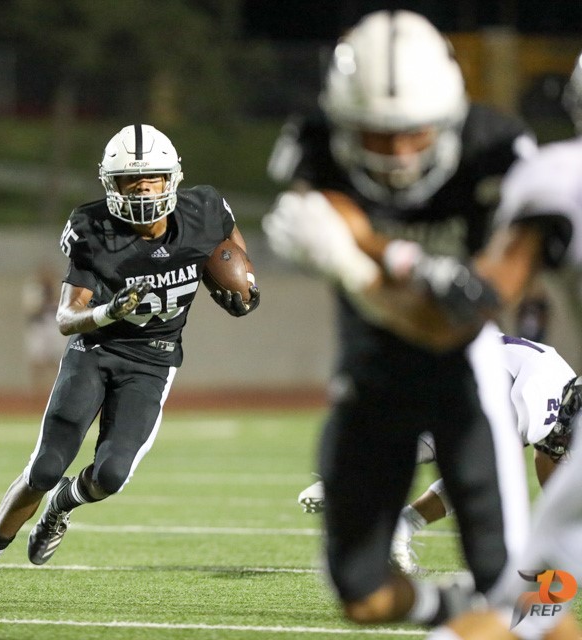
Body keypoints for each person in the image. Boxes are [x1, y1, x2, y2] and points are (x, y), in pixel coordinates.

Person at [263, 10, 538, 628]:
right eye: (376, 135)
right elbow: (335, 214)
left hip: (466, 382)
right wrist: (405, 262)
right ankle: (453, 607)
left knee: (518, 592)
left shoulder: (496, 151)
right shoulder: (315, 142)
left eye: (414, 133)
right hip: (371, 379)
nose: (398, 154)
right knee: (360, 594)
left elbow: (456, 320)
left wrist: (361, 267)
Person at [0, 123, 260, 604]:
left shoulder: (205, 209)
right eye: (131, 180)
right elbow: (65, 318)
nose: (143, 190)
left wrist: (244, 281)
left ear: (172, 178)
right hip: (95, 351)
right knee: (45, 467)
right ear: (111, 184)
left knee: (111, 476)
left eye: (151, 178)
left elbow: (231, 245)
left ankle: (62, 506)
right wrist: (108, 311)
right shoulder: (92, 227)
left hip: (153, 361)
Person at [419, 52, 582, 640]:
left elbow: (488, 290)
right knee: (541, 597)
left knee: (532, 597)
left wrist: (394, 268)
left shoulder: (558, 177)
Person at [297, 334, 576, 575]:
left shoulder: (562, 387)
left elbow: (549, 460)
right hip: (438, 367)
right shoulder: (544, 400)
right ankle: (345, 481)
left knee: (479, 461)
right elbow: (506, 459)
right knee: (464, 456)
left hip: (449, 368)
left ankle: (399, 524)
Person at [21, 261, 68, 393]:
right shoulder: (33, 289)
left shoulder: (60, 286)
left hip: (54, 325)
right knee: (38, 360)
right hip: (38, 326)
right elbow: (31, 309)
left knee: (58, 358)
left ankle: (58, 389)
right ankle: (37, 392)